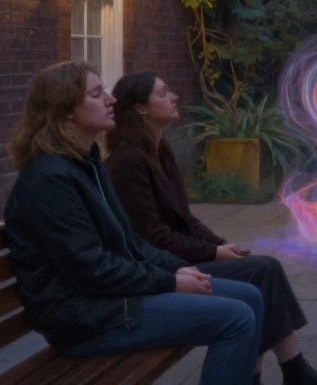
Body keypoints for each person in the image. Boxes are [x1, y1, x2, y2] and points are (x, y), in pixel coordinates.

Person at [3, 61, 262, 385]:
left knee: (249, 296)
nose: (111, 100)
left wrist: (175, 268)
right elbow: (91, 268)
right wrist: (169, 283)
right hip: (85, 320)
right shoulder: (49, 179)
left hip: (110, 301)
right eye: (97, 94)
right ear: (66, 110)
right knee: (236, 318)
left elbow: (131, 241)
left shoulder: (87, 165)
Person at [104, 72, 317, 385]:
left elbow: (185, 217)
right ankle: (285, 373)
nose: (174, 97)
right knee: (261, 272)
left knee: (262, 269)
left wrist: (220, 244)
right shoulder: (128, 162)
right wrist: (212, 252)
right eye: (164, 93)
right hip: (165, 268)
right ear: (140, 108)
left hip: (178, 257)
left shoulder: (160, 150)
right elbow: (153, 237)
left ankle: (290, 370)